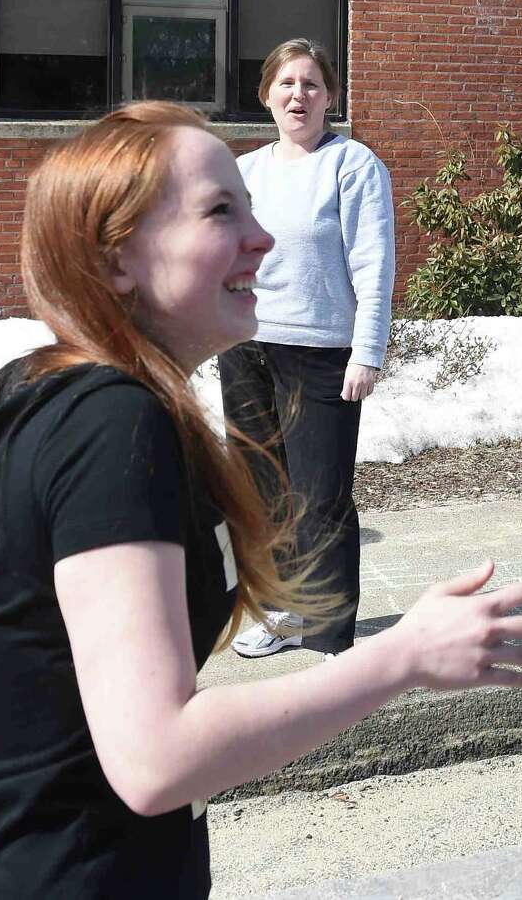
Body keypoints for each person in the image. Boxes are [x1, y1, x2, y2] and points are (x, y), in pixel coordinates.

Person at [0, 102, 522, 899]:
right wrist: (404, 656)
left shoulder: (17, 394)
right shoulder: (112, 423)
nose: (263, 238)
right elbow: (156, 759)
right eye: (221, 210)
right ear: (117, 258)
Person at [218, 39, 393, 659]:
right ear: (266, 94)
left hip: (322, 354)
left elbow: (373, 264)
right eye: (287, 83)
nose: (299, 95)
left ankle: (328, 640)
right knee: (263, 493)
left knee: (321, 499)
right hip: (247, 348)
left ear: (331, 96)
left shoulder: (353, 166)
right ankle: (282, 608)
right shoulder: (245, 171)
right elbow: (227, 259)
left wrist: (367, 351)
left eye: (312, 84)